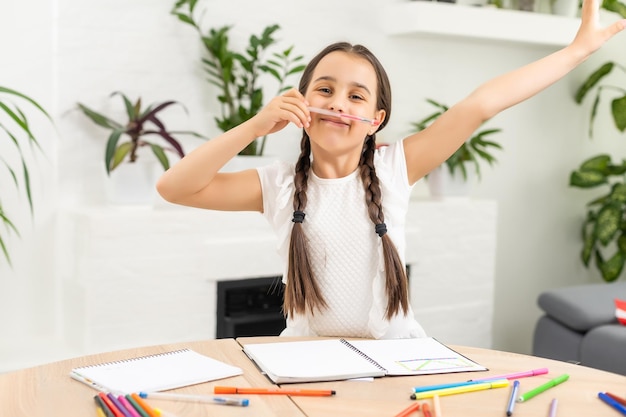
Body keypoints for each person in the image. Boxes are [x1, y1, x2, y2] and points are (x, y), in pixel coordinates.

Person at [157, 0, 625, 339]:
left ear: (375, 120)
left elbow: (482, 104)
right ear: (301, 103)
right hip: (305, 362)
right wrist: (254, 126)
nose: (338, 103)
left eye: (356, 96)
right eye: (324, 89)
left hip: (396, 359)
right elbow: (174, 187)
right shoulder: (276, 184)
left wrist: (577, 51)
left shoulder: (395, 167)